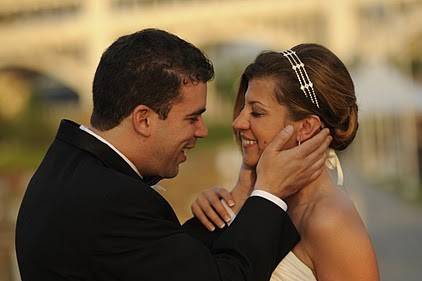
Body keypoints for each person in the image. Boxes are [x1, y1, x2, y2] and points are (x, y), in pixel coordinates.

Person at [15, 29, 332, 281]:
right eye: (192, 117)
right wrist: (269, 193)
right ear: (144, 119)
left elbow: (156, 260)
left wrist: (233, 202)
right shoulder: (112, 201)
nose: (203, 131)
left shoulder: (67, 166)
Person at [191, 44, 380, 280]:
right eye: (242, 109)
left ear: (306, 127)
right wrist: (222, 213)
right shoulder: (256, 202)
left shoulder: (330, 221)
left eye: (257, 113)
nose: (238, 122)